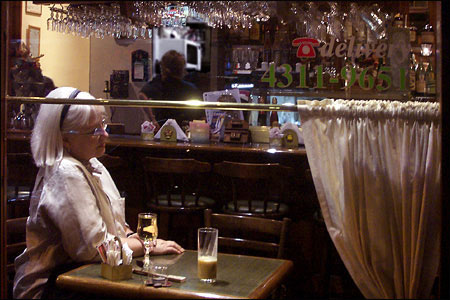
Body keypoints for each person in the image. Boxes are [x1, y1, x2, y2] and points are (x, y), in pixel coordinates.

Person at [13, 87, 184, 299]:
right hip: (52, 286)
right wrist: (145, 246)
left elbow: (115, 223)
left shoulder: (92, 163)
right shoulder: (65, 171)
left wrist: (136, 238)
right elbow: (94, 250)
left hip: (87, 276)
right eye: (93, 131)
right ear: (65, 139)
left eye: (102, 125)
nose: (105, 135)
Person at [139, 50, 205, 131]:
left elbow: (142, 95)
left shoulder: (158, 83)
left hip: (162, 130)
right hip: (183, 130)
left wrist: (153, 120)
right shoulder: (190, 88)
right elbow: (200, 115)